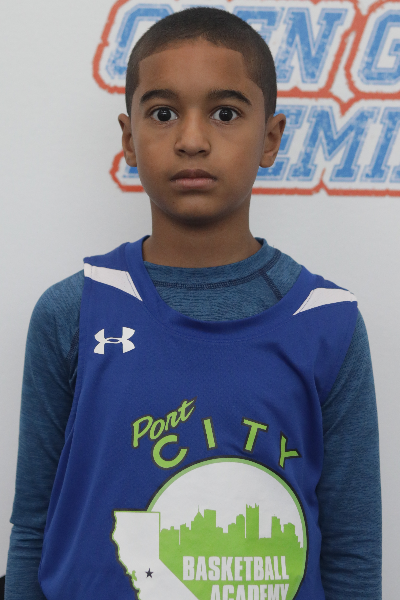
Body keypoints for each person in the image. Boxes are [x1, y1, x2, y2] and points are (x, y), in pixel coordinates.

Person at [5, 7, 381, 600]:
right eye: (163, 113)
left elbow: (352, 550)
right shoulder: (73, 311)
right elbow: (33, 526)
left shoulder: (327, 323)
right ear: (129, 139)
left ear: (270, 139)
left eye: (225, 113)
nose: (192, 140)